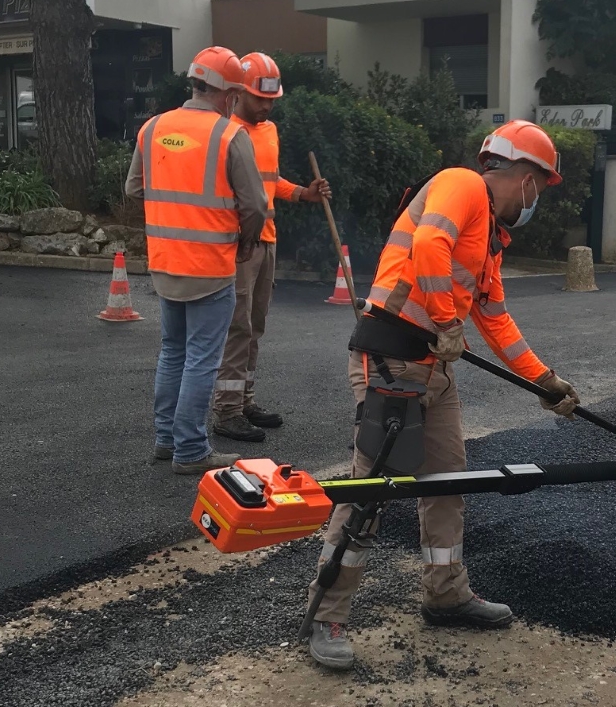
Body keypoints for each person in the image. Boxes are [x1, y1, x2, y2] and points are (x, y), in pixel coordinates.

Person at [304, 120, 582, 670]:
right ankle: (326, 615)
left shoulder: (490, 242)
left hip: (434, 369)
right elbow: (430, 242)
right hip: (390, 362)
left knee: (449, 481)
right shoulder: (461, 183)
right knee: (371, 491)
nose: (536, 201)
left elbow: (497, 320)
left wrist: (544, 381)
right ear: (524, 175)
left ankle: (445, 591)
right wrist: (446, 319)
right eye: (540, 187)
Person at [124, 46, 270, 475]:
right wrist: (244, 242)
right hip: (209, 267)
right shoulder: (229, 135)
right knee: (202, 358)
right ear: (227, 93)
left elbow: (136, 189)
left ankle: (166, 440)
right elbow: (256, 206)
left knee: (172, 353)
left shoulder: (153, 129)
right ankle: (190, 450)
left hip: (165, 262)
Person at [211, 52, 333, 443]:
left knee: (255, 326)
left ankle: (244, 401)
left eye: (271, 100)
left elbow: (270, 180)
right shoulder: (225, 131)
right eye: (259, 99)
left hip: (267, 239)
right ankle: (226, 411)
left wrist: (303, 193)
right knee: (238, 327)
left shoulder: (269, 131)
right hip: (239, 242)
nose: (265, 106)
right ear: (239, 94)